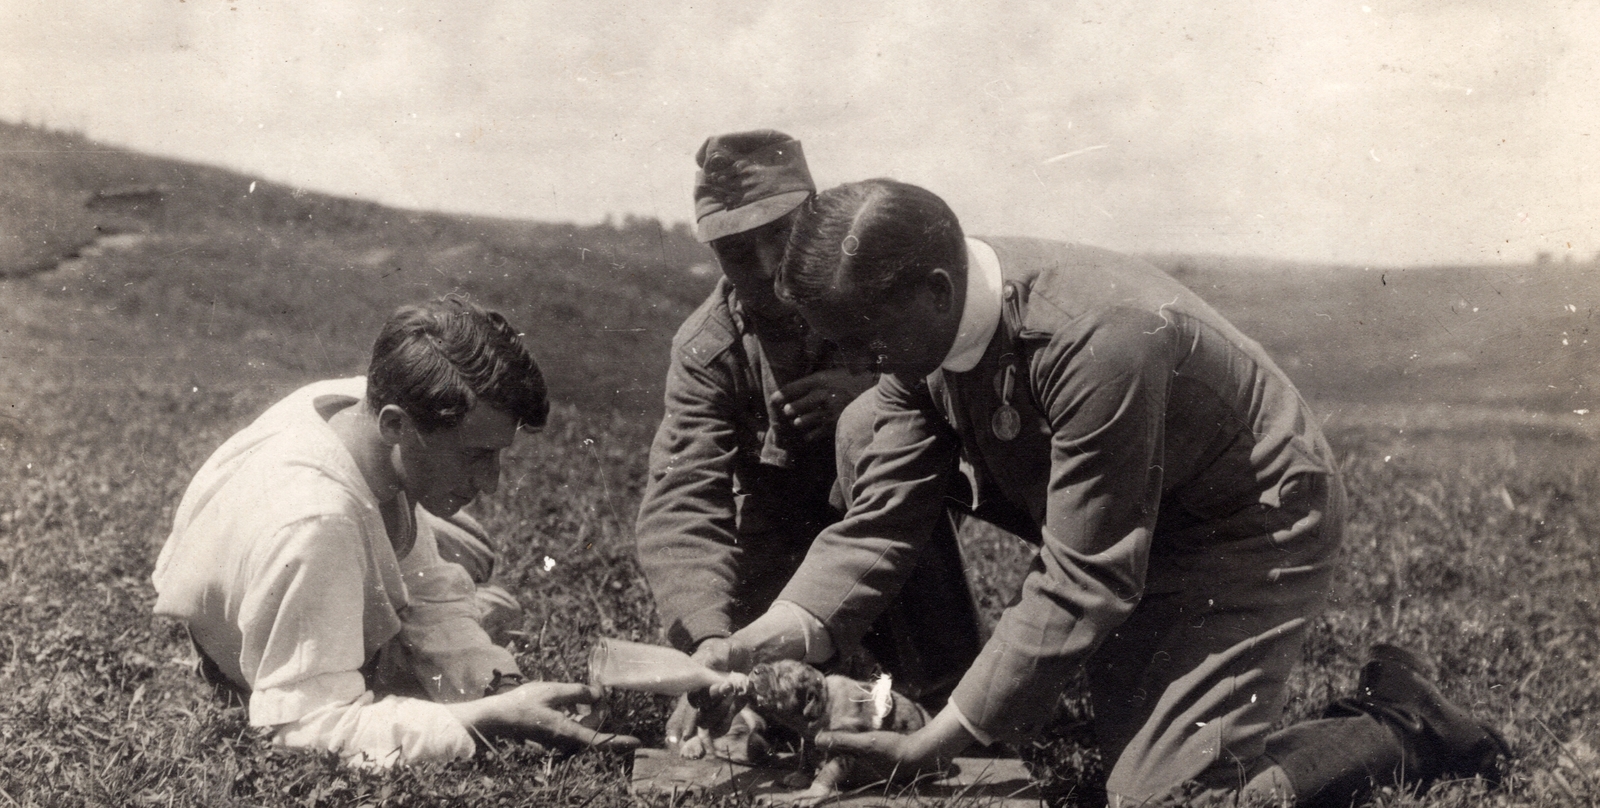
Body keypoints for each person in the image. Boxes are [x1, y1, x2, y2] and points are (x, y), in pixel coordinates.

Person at [705, 180, 1509, 806]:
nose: (856, 360)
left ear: (937, 292)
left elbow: (1087, 576)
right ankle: (969, 696)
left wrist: (937, 744)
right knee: (863, 433)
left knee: (1173, 799)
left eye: (865, 340)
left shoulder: (1101, 339)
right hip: (1124, 518)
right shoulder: (918, 336)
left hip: (1240, 528)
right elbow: (883, 520)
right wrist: (772, 636)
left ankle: (1401, 723)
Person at [153, 295, 638, 768]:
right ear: (395, 426)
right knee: (491, 599)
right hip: (255, 647)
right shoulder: (319, 523)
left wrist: (501, 687)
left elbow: (429, 593)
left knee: (469, 551)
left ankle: (465, 608)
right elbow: (302, 730)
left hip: (299, 552)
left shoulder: (355, 407)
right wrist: (484, 719)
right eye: (476, 455)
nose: (491, 483)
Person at [635, 133, 982, 759]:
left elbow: (952, 408)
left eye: (781, 232)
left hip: (895, 523)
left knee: (944, 701)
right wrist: (709, 640)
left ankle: (949, 694)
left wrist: (872, 390)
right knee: (753, 699)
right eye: (738, 250)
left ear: (816, 217)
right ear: (713, 254)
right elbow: (684, 499)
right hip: (780, 543)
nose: (767, 264)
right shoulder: (707, 350)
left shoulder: (883, 294)